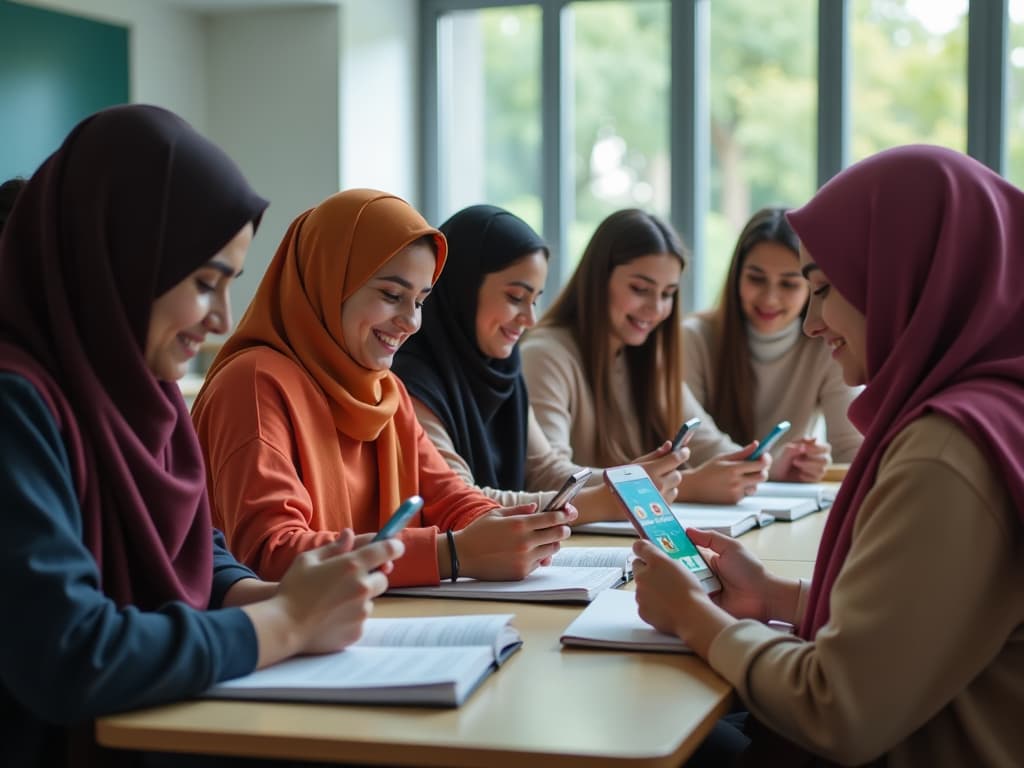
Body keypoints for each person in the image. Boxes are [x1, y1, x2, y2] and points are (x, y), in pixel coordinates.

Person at [0, 105, 403, 767]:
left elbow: (195, 546)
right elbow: (70, 652)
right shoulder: (17, 402)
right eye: (204, 283)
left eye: (230, 285)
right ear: (122, 260)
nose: (220, 321)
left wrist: (271, 593)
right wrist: (285, 624)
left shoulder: (141, 390)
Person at [632, 145, 1024, 766]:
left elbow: (836, 708)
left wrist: (693, 620)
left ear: (904, 277)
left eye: (820, 289)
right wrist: (779, 598)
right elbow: (926, 619)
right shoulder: (998, 407)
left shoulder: (947, 450)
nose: (810, 322)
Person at [193, 190, 574, 587]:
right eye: (392, 296)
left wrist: (506, 528)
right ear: (329, 282)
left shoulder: (384, 390)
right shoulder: (254, 383)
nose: (411, 322)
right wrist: (454, 553)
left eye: (421, 301)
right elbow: (271, 553)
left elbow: (447, 494)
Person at [391, 204, 685, 522]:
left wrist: (630, 482)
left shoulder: (502, 367)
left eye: (535, 300)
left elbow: (545, 470)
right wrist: (599, 503)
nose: (530, 319)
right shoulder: (411, 380)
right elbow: (463, 501)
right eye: (516, 297)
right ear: (464, 287)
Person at [521, 208, 770, 505]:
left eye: (668, 294)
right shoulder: (544, 355)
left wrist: (752, 465)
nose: (656, 309)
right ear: (599, 280)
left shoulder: (647, 357)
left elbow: (710, 445)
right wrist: (686, 485)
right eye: (640, 289)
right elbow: (552, 477)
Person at [683, 207, 862, 480]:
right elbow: (694, 445)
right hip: (706, 503)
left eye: (789, 284)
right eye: (756, 279)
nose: (770, 299)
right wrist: (772, 468)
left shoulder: (827, 345)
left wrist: (817, 464)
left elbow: (852, 451)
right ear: (736, 277)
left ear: (812, 288)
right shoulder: (694, 338)